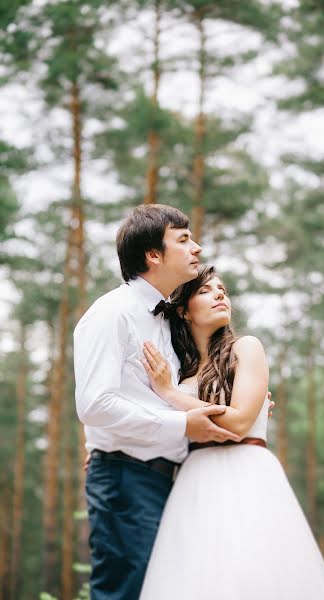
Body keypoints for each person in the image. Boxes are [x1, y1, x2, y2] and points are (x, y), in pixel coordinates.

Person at [74, 205, 266, 600]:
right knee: (127, 591)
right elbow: (93, 403)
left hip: (171, 479)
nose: (196, 247)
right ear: (154, 255)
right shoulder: (113, 313)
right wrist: (179, 426)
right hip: (127, 476)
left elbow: (180, 390)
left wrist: (247, 404)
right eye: (183, 239)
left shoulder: (168, 324)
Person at [138, 264, 324, 600]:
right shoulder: (178, 370)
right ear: (184, 311)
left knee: (254, 570)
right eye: (205, 290)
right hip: (193, 481)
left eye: (223, 290)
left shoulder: (246, 348)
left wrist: (170, 394)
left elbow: (241, 422)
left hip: (248, 473)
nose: (219, 293)